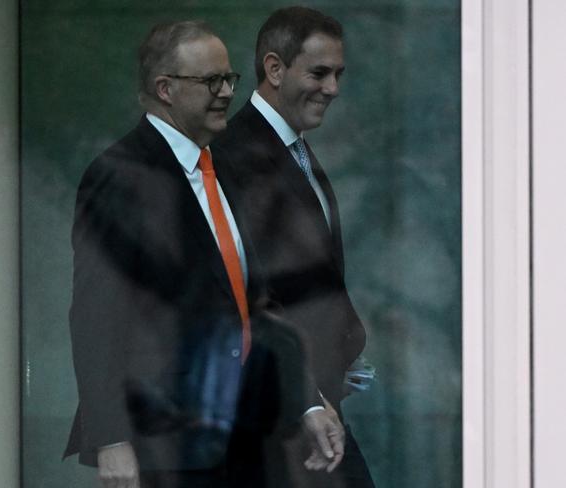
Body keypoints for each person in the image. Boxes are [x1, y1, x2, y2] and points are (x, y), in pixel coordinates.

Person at [64, 20, 344, 488]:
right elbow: (96, 316)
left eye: (229, 79)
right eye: (210, 81)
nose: (225, 93)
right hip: (166, 443)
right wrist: (111, 438)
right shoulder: (122, 175)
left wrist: (308, 400)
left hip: (244, 434)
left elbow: (255, 302)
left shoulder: (219, 168)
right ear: (165, 89)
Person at [214, 7, 375, 487]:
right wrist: (305, 393)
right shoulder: (234, 155)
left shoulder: (294, 150)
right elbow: (248, 291)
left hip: (314, 405)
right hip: (276, 413)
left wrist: (345, 355)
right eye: (319, 73)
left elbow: (309, 279)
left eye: (338, 74)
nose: (333, 88)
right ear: (275, 68)